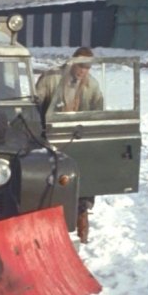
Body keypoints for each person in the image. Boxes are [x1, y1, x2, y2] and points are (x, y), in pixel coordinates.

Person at [35, 46, 104, 244]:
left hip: (78, 138)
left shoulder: (91, 85)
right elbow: (35, 107)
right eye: (80, 65)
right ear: (72, 62)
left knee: (84, 177)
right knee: (49, 181)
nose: (83, 71)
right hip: (51, 137)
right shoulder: (51, 78)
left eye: (87, 67)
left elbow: (98, 111)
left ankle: (82, 215)